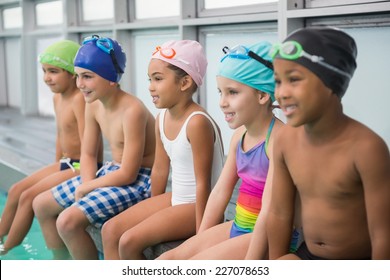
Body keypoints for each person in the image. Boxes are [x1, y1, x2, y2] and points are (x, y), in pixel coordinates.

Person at [266, 26, 390, 260]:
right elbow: (279, 213)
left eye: (293, 80)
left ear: (333, 81)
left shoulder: (366, 148)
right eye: (278, 81)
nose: (281, 93)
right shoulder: (285, 139)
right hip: (308, 254)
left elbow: (383, 235)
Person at [32, 35, 156, 260]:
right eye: (78, 76)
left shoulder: (132, 111)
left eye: (87, 77)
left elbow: (128, 173)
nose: (80, 84)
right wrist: (88, 183)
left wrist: (86, 189)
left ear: (111, 78)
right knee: (40, 204)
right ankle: (60, 263)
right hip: (110, 172)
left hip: (140, 180)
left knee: (67, 221)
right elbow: (88, 154)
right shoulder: (94, 104)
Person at [158, 41, 283, 260]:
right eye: (220, 92)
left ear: (262, 96)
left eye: (232, 93)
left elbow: (271, 212)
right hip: (239, 227)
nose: (222, 103)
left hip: (266, 237)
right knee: (167, 260)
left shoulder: (278, 141)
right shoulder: (240, 136)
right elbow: (219, 193)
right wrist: (200, 240)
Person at [101, 39, 224, 260]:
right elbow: (159, 170)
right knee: (110, 231)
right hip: (175, 199)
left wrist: (202, 234)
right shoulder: (161, 118)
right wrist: (154, 209)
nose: (150, 86)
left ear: (185, 82)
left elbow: (203, 183)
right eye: (150, 79)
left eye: (158, 79)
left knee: (129, 241)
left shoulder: (197, 123)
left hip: (198, 206)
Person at [0, 40, 87, 255]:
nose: (47, 77)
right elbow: (61, 135)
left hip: (80, 166)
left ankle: (8, 247)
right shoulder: (58, 98)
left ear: (73, 74)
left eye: (54, 71)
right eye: (44, 71)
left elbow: (89, 142)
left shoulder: (79, 100)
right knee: (15, 190)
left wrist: (87, 175)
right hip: (65, 164)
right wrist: (55, 164)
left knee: (29, 197)